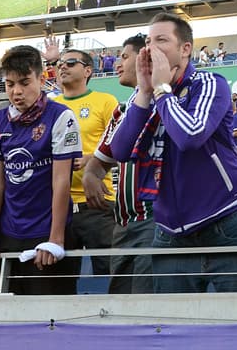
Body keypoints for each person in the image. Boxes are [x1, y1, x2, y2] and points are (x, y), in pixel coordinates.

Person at [108, 11, 237, 293]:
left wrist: (161, 90)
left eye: (161, 40)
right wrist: (146, 93)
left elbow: (190, 136)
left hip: (227, 221)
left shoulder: (210, 84)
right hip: (170, 229)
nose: (150, 48)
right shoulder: (145, 95)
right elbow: (120, 150)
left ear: (185, 49)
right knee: (175, 326)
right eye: (148, 41)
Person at [0, 45, 81, 295]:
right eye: (10, 84)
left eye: (24, 82)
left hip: (47, 232)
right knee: (4, 317)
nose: (17, 91)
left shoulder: (62, 116)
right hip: (9, 233)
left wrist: (56, 239)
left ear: (41, 79)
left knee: (49, 318)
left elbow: (61, 181)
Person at [84, 34, 157, 294]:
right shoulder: (121, 112)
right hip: (124, 223)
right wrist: (90, 175)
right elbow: (99, 161)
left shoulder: (165, 106)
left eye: (124, 56)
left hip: (154, 221)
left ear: (144, 57)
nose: (117, 62)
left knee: (144, 306)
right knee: (120, 299)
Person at [46, 41, 120, 289]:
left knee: (109, 275)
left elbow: (124, 144)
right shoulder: (50, 106)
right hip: (59, 207)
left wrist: (93, 159)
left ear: (88, 70)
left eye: (70, 63)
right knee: (60, 280)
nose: (62, 68)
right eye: (59, 64)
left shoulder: (105, 101)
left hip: (97, 203)